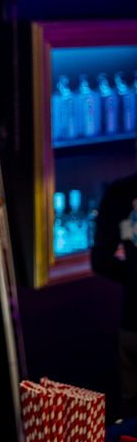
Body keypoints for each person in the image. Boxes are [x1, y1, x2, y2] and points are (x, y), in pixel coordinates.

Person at [91, 169, 137, 418]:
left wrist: (132, 278)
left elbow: (100, 261)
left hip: (131, 325)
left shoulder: (120, 191)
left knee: (131, 419)